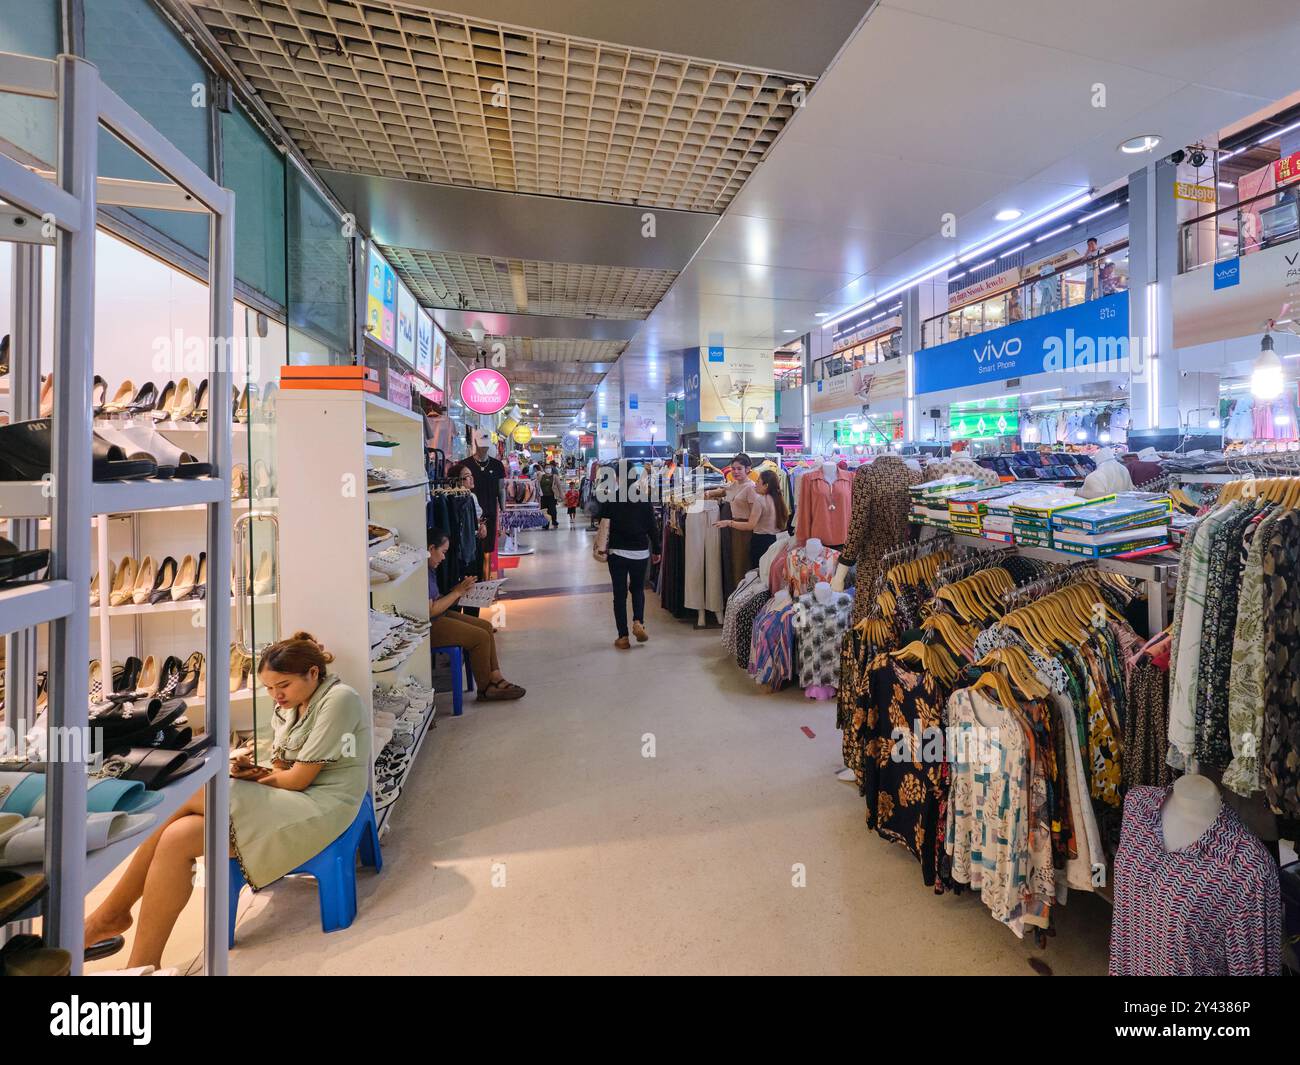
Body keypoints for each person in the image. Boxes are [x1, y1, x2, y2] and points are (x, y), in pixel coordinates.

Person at [83, 633, 368, 969]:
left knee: (196, 792)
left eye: (284, 685)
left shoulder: (339, 700)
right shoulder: (293, 705)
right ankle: (142, 965)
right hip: (294, 795)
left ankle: (109, 915)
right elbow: (281, 768)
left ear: (313, 674)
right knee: (176, 837)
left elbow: (297, 779)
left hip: (325, 802)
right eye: (269, 687)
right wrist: (254, 772)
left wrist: (251, 778)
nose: (276, 695)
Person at [427, 526, 524, 700]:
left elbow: (435, 602)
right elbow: (430, 610)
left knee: (486, 626)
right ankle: (486, 688)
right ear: (430, 549)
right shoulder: (423, 572)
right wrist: (457, 592)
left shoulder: (429, 569)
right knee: (479, 637)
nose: (443, 557)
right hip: (430, 624)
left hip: (438, 617)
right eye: (442, 552)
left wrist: (459, 592)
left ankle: (496, 676)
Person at [594, 467, 661, 649]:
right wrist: (657, 549)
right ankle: (638, 621)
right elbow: (652, 527)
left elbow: (601, 520)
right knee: (638, 589)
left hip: (617, 552)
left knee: (619, 593)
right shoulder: (644, 499)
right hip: (640, 552)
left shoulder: (612, 498)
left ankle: (623, 637)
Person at [703, 453, 758, 590]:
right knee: (732, 563)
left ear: (748, 469)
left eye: (739, 468)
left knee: (741, 565)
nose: (735, 472)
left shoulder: (751, 487)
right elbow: (723, 491)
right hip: (732, 527)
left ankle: (741, 598)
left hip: (744, 530)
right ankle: (733, 595)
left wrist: (732, 523)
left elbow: (754, 518)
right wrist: (708, 493)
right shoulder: (735, 484)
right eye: (733, 469)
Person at [714, 469, 788, 568]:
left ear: (766, 486)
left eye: (758, 482)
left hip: (761, 541)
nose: (755, 484)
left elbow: (750, 525)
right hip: (776, 540)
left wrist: (729, 523)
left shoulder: (760, 500)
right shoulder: (778, 499)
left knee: (759, 573)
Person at [463, 430, 506, 566]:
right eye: (481, 445)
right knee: (471, 548)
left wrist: (503, 511)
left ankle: (485, 580)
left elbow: (501, 489)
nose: (484, 448)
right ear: (475, 442)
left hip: (490, 513)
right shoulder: (465, 465)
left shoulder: (497, 465)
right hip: (470, 514)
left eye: (486, 445)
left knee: (487, 550)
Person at [447, 460, 488, 542]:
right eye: (467, 476)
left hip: (473, 540)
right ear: (457, 480)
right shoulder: (449, 499)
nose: (471, 478)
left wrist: (482, 526)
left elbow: (478, 519)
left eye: (471, 475)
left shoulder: (471, 496)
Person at [539, 462, 559, 530]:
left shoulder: (554, 476)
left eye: (549, 468)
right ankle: (545, 524)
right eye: (546, 468)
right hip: (543, 496)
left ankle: (554, 521)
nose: (548, 469)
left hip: (552, 496)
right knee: (544, 510)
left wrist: (562, 496)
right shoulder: (541, 476)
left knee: (552, 510)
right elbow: (537, 485)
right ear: (544, 469)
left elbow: (559, 486)